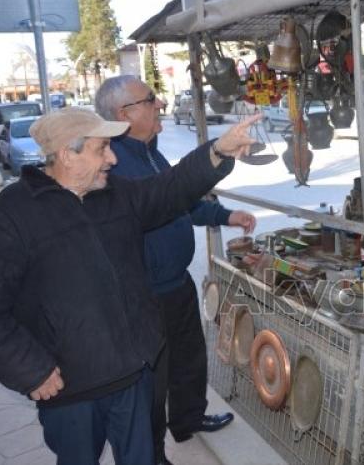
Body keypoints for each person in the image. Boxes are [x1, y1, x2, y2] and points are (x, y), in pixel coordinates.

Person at [0, 107, 260, 465]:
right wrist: (28, 368)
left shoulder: (116, 195)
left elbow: (169, 189)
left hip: (133, 374)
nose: (112, 159)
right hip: (70, 389)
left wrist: (218, 151)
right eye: (102, 149)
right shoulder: (8, 216)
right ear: (68, 153)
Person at [95, 76, 255, 465]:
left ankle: (187, 419)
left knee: (189, 358)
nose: (159, 103)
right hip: (145, 292)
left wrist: (225, 214)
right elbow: (160, 200)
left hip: (175, 281)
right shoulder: (113, 163)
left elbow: (180, 197)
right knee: (152, 380)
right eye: (150, 99)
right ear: (125, 114)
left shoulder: (150, 151)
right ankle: (151, 454)